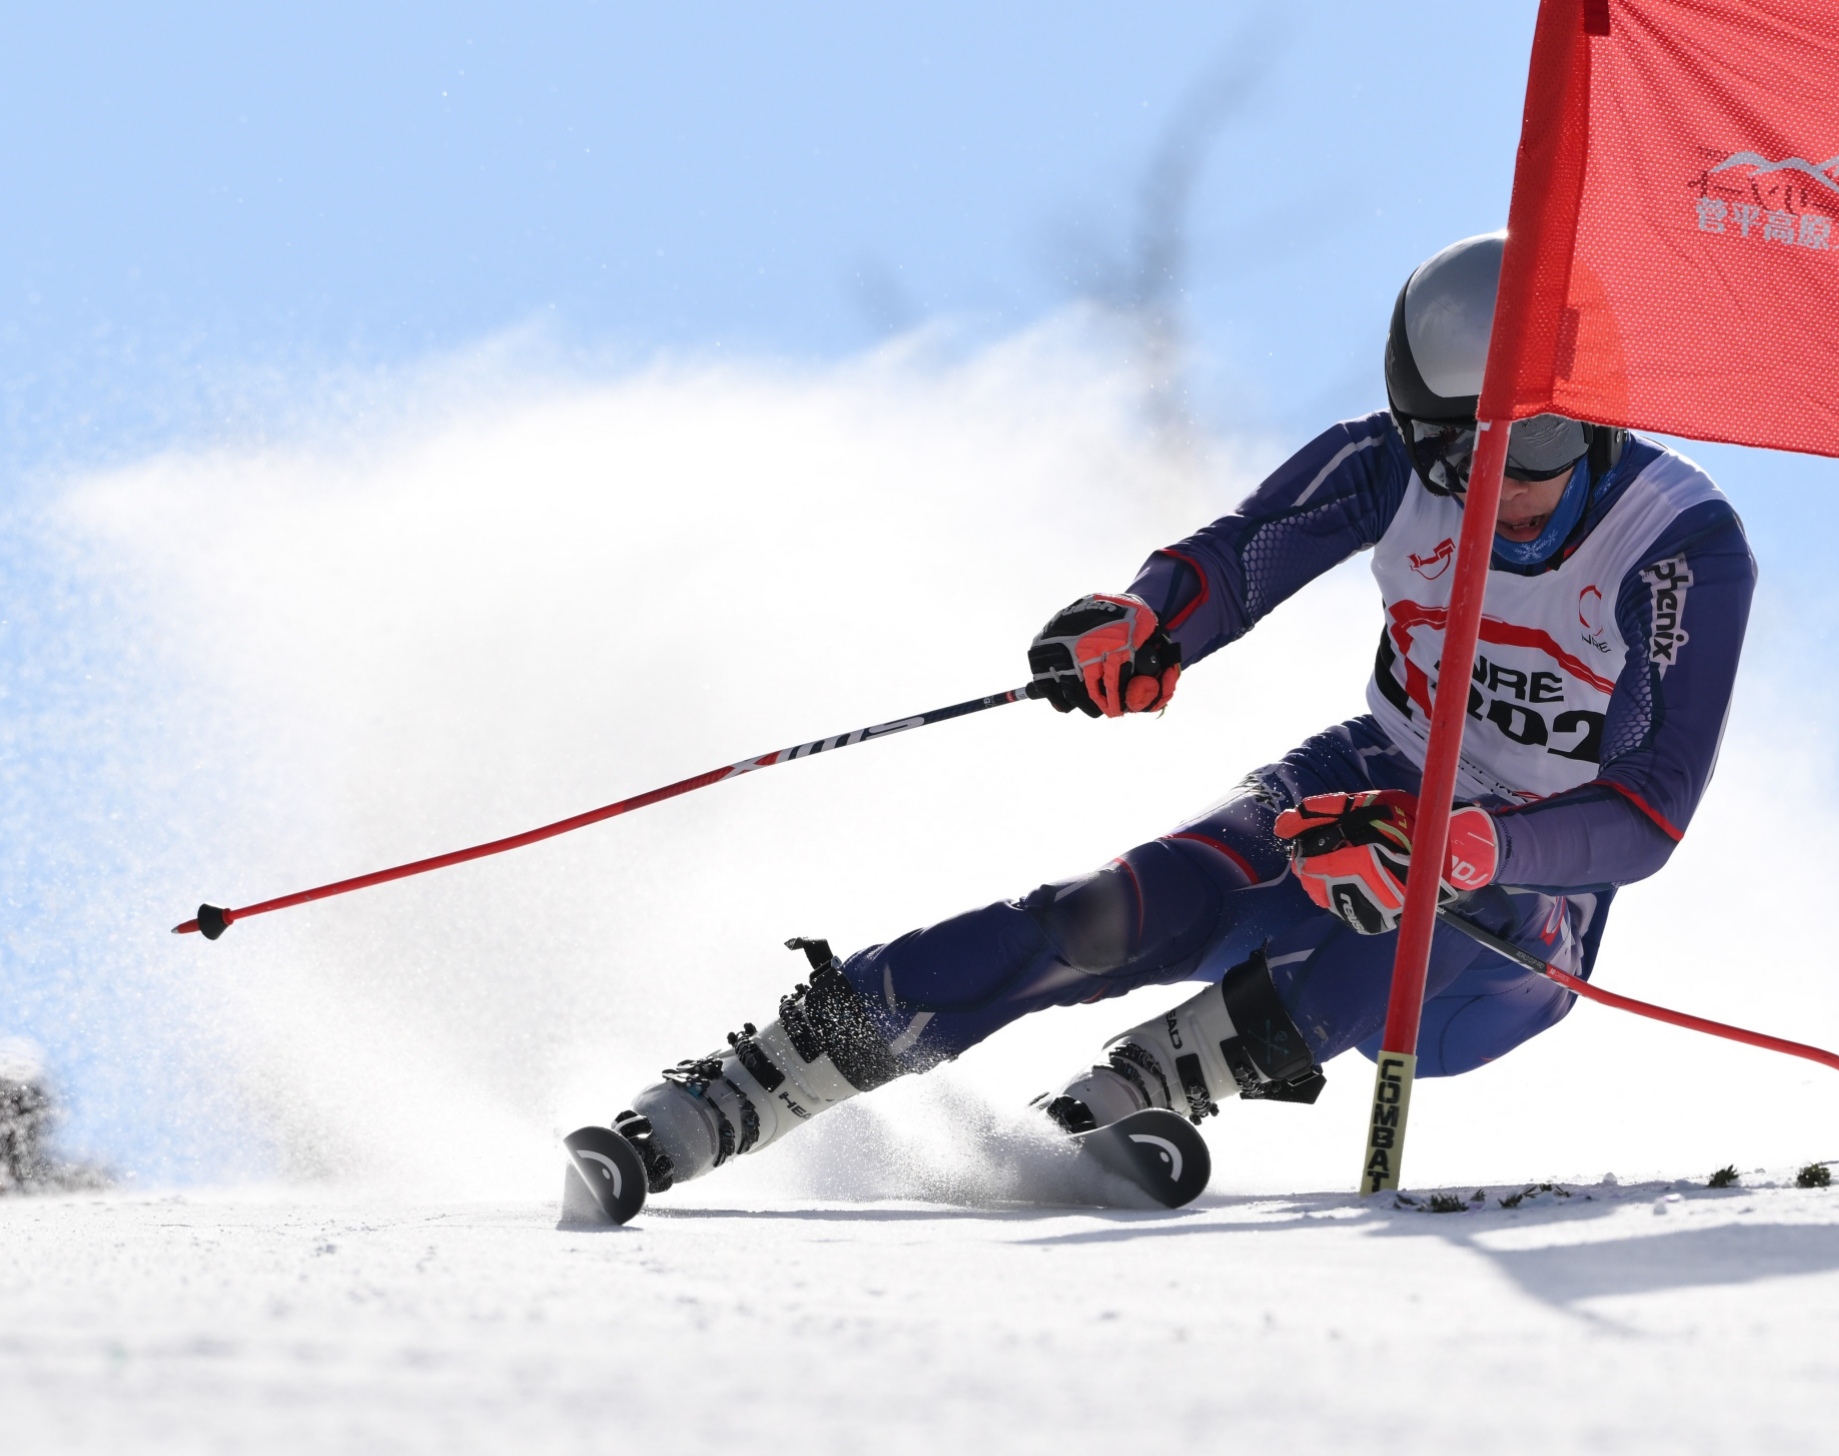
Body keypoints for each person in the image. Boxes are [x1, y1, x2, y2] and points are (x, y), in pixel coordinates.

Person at [600, 233, 1756, 1196]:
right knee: (1100, 916)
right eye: (1462, 455)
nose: (1506, 489)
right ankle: (755, 1081)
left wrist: (1468, 844)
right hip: (1373, 773)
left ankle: (1164, 1074)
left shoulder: (1676, 546)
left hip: (1529, 894)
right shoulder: (1380, 466)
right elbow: (1236, 561)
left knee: (1427, 894)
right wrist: (1146, 625)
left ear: (1599, 415)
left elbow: (1647, 813)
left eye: (1540, 441)